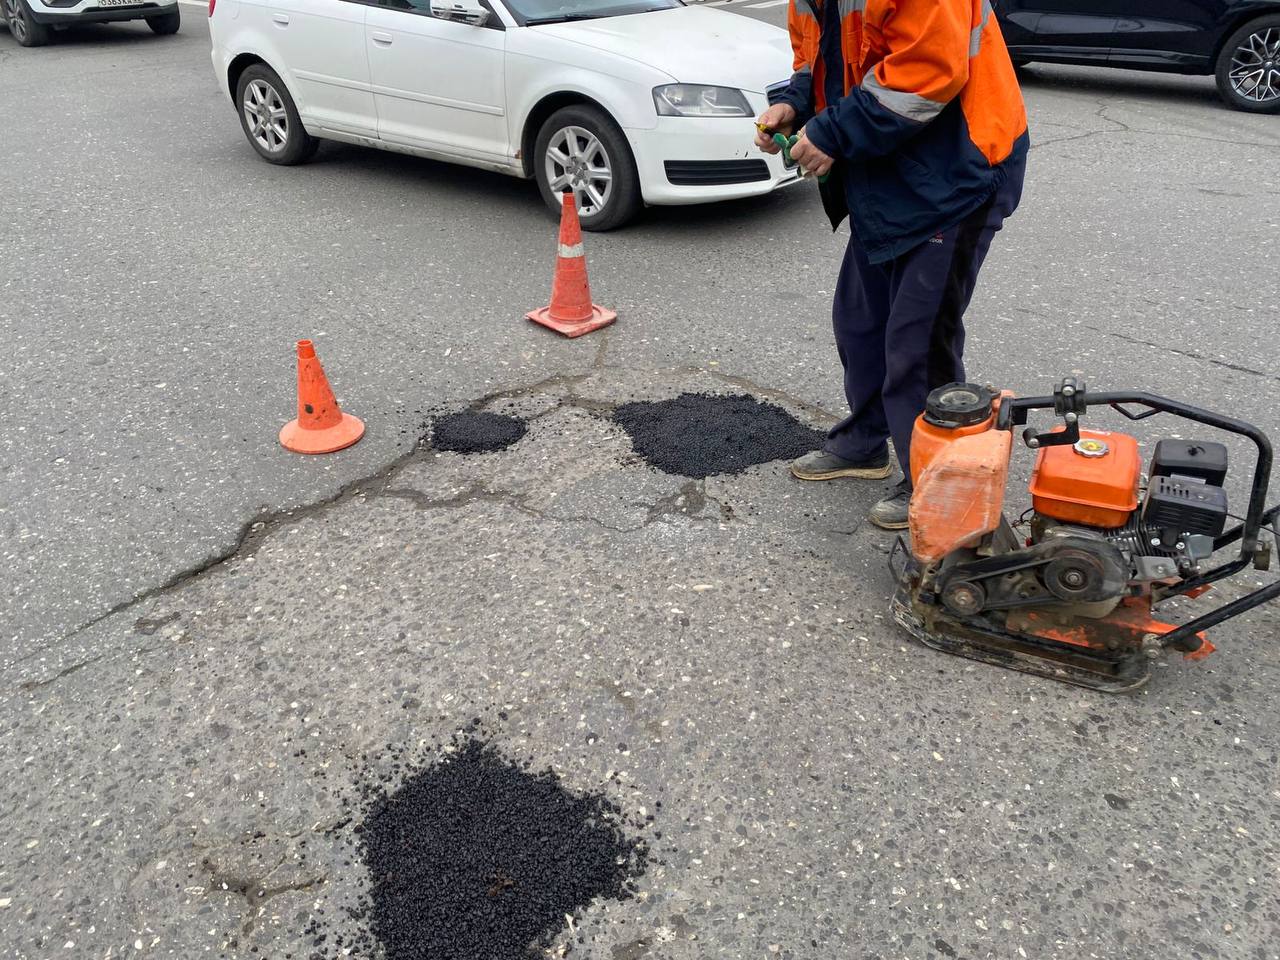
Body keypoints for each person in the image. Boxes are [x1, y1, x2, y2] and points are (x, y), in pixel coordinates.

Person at [757, 0, 1028, 530]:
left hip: (957, 173)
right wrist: (793, 105)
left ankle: (936, 476)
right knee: (861, 325)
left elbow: (930, 70)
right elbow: (819, 63)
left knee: (919, 342)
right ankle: (865, 442)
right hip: (887, 176)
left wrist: (832, 134)